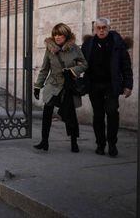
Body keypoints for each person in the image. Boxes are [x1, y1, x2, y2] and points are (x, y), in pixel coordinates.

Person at [81, 18, 133, 157]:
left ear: (109, 28)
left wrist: (128, 85)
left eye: (104, 27)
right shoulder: (88, 44)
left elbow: (126, 65)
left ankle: (112, 144)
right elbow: (79, 62)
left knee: (111, 112)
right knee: (98, 115)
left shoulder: (117, 43)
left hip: (111, 85)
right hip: (94, 85)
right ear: (94, 29)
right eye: (98, 28)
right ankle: (100, 144)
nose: (101, 30)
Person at [34, 23, 88, 152]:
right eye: (55, 34)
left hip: (68, 86)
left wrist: (72, 71)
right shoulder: (50, 49)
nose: (57, 37)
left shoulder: (74, 48)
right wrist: (37, 86)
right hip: (53, 85)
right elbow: (44, 69)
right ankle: (44, 142)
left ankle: (74, 142)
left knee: (70, 115)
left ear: (66, 35)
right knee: (47, 112)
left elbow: (84, 64)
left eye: (60, 34)